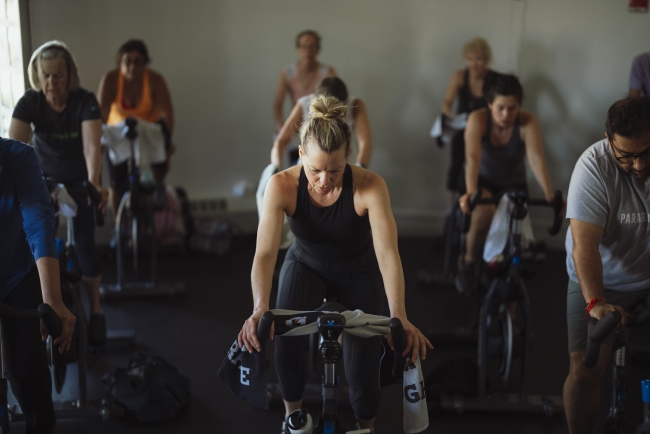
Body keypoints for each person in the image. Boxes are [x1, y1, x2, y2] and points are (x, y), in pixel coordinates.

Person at [239, 95, 432, 432]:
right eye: (314, 170)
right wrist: (259, 308)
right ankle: (292, 418)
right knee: (284, 343)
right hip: (305, 265)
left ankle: (365, 426)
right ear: (300, 154)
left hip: (359, 271)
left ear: (349, 158)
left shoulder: (370, 187)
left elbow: (388, 254)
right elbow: (266, 254)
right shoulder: (281, 185)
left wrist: (399, 315)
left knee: (363, 368)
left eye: (335, 170)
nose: (325, 180)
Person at [9, 40, 108, 346]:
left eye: (58, 76)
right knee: (38, 241)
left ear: (70, 76)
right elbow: (15, 149)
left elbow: (92, 146)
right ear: (38, 78)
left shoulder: (85, 101)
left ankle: (96, 309)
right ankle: (47, 301)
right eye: (46, 76)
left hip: (80, 180)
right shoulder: (30, 102)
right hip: (42, 181)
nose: (52, 82)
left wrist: (93, 181)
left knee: (86, 243)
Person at [563, 96, 650, 434]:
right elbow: (585, 248)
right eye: (627, 156)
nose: (639, 166)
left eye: (646, 153)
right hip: (600, 281)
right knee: (585, 373)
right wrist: (596, 303)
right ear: (608, 139)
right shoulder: (593, 167)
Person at [0, 136, 76, 433]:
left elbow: (38, 223)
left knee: (26, 376)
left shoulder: (20, 158)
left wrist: (52, 300)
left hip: (17, 273)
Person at [457, 72, 559, 292]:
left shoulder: (527, 121)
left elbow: (535, 158)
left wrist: (550, 195)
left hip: (513, 185)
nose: (506, 114)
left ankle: (502, 276)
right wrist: (472, 195)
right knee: (483, 214)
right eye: (500, 108)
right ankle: (469, 260)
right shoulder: (478, 119)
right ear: (489, 104)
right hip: (483, 182)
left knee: (515, 231)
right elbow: (472, 158)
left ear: (519, 106)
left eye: (512, 108)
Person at [97, 39, 174, 212]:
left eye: (138, 62)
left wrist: (166, 141)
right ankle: (117, 229)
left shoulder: (155, 80)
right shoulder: (110, 79)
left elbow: (166, 115)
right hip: (118, 135)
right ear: (120, 62)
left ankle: (156, 189)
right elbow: (100, 115)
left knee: (149, 180)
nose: (132, 66)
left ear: (145, 63)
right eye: (127, 61)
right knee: (116, 184)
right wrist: (98, 143)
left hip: (147, 135)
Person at [271, 76, 371, 170]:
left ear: (344, 103)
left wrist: (360, 168)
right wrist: (276, 168)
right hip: (310, 168)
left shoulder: (355, 105)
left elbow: (365, 142)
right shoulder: (304, 104)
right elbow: (280, 142)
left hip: (346, 167)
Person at [441, 37, 494, 199]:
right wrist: (448, 116)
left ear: (486, 60)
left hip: (485, 134)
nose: (474, 64)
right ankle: (451, 212)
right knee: (456, 169)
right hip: (461, 132)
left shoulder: (493, 79)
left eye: (478, 59)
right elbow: (447, 101)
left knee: (483, 170)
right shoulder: (459, 76)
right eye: (470, 59)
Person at [273, 30, 337, 133]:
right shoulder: (287, 72)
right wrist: (280, 122)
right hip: (296, 125)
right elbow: (278, 102)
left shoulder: (328, 72)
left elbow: (337, 99)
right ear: (298, 49)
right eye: (304, 46)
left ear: (318, 49)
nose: (308, 50)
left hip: (321, 127)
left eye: (312, 47)